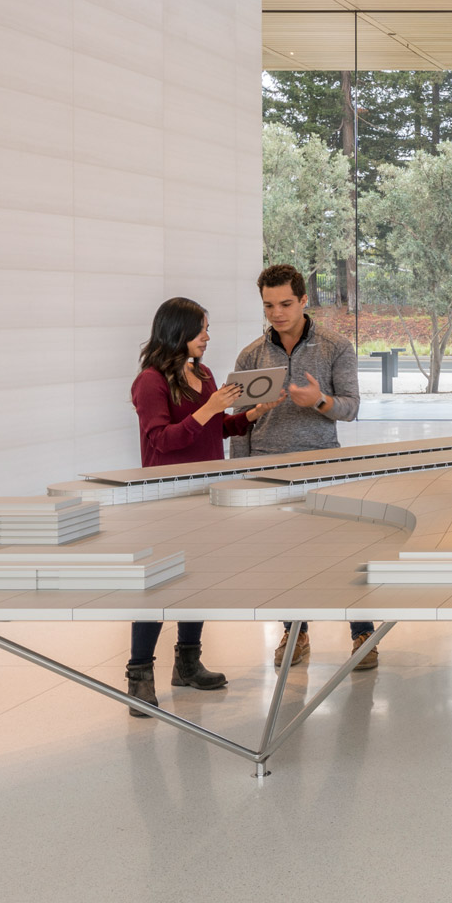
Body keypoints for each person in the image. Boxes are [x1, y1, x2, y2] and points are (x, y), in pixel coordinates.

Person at [232, 264, 375, 669]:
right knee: (283, 560)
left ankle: (362, 633)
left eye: (286, 303)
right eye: (268, 305)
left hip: (320, 466)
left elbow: (351, 407)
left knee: (342, 552)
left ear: (304, 300)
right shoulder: (251, 355)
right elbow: (239, 423)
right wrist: (237, 476)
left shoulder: (336, 346)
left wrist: (318, 401)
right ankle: (295, 634)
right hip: (266, 469)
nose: (277, 313)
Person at [123, 296, 249, 714]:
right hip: (167, 498)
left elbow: (215, 428)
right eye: (201, 330)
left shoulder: (205, 373)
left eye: (208, 329)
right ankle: (139, 675)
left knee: (198, 580)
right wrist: (210, 408)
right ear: (177, 331)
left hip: (208, 493)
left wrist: (249, 416)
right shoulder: (150, 382)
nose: (207, 337)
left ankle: (187, 663)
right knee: (159, 587)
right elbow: (161, 440)